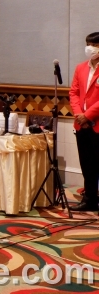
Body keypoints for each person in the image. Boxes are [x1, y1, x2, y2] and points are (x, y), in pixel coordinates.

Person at [69, 32, 99, 212]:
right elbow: (73, 93)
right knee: (87, 164)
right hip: (82, 124)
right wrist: (80, 115)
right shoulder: (80, 68)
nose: (90, 48)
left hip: (97, 123)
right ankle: (90, 200)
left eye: (94, 45)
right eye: (88, 44)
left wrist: (88, 115)